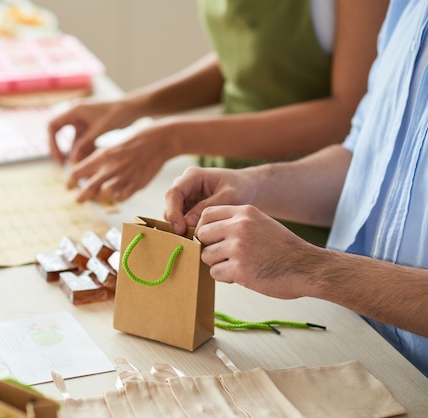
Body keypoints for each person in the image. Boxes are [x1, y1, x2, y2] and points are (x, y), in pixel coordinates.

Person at [163, 0, 428, 377]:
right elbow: (366, 164)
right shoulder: (409, 9)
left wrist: (309, 267)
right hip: (366, 353)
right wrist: (250, 185)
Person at [48, 0, 388, 245]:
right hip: (214, 185)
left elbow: (346, 118)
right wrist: (134, 106)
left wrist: (171, 138)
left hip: (302, 216)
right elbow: (251, 54)